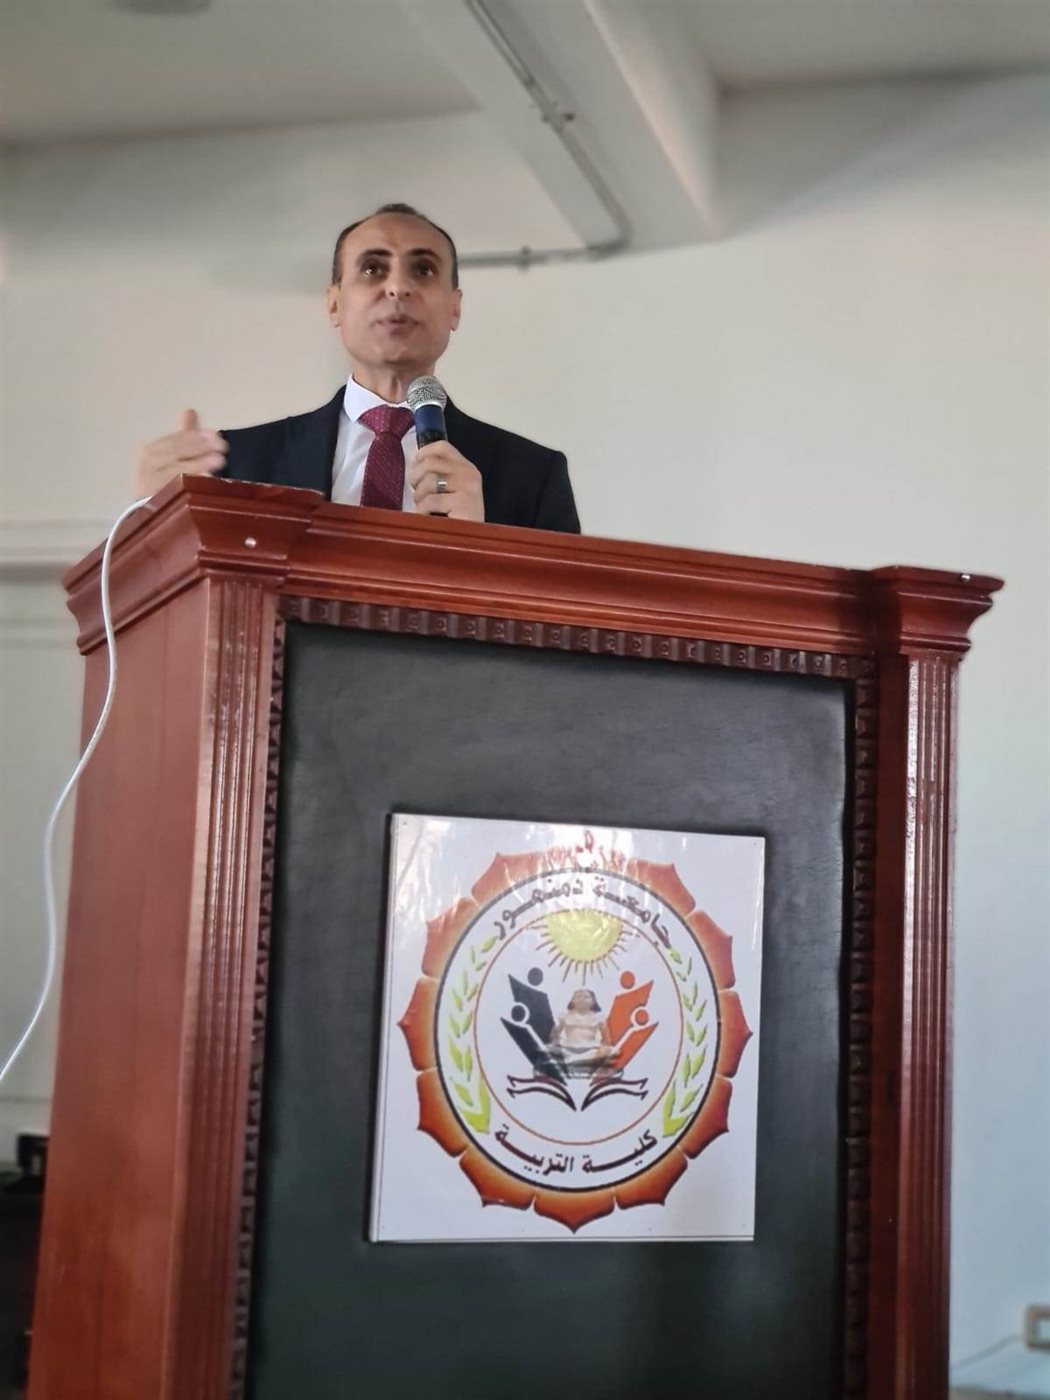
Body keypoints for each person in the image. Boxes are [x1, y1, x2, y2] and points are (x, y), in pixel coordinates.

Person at [135, 203, 580, 532]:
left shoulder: (532, 476)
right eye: (372, 269)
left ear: (454, 308)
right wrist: (146, 523)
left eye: (423, 270)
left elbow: (570, 627)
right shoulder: (237, 464)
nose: (398, 287)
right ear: (334, 304)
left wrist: (482, 545)